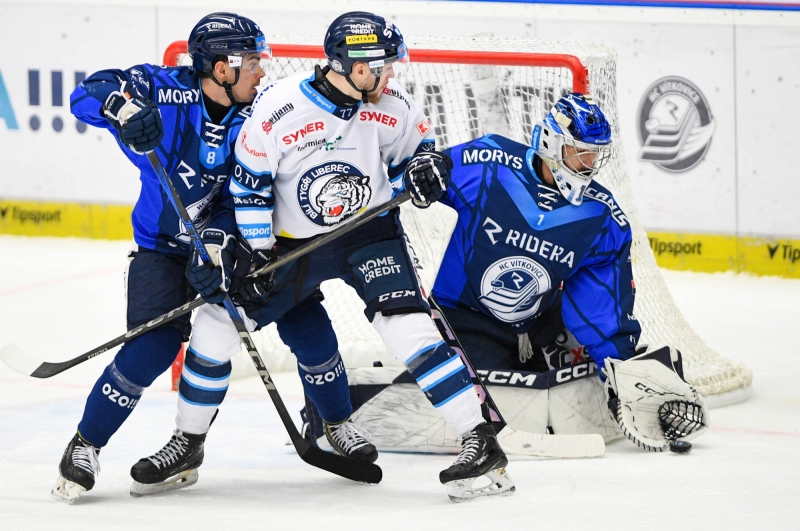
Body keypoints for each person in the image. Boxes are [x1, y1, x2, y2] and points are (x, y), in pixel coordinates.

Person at [132, 11, 514, 503]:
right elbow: (250, 188)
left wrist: (425, 170)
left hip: (369, 234)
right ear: (359, 67)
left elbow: (416, 158)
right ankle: (188, 442)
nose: (392, 74)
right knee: (214, 324)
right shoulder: (279, 107)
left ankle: (479, 441)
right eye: (385, 66)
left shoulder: (394, 107)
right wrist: (257, 251)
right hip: (290, 245)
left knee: (409, 328)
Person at [314, 92, 708, 455]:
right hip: (467, 319)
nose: (588, 165)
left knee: (567, 381)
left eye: (594, 156)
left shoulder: (601, 217)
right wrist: (421, 170)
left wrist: (618, 369)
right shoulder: (490, 162)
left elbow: (599, 306)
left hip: (540, 326)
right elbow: (417, 180)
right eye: (579, 153)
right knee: (496, 397)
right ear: (552, 143)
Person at [53, 12, 281, 504]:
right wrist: (122, 109)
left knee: (254, 330)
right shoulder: (161, 89)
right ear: (221, 67)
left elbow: (253, 193)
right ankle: (85, 444)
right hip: (160, 248)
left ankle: (192, 444)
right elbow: (84, 95)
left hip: (228, 247)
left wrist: (219, 240)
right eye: (252, 61)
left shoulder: (261, 115)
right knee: (152, 348)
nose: (261, 71)